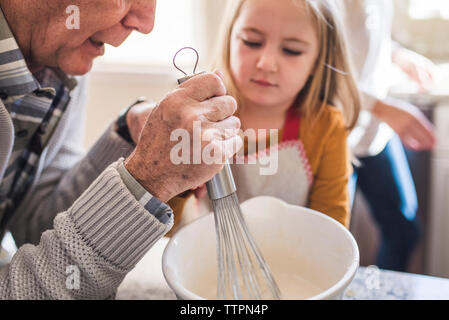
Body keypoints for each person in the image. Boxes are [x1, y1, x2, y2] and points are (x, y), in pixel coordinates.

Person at [0, 0, 242, 299]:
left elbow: (37, 224)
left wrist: (129, 136)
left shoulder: (61, 57)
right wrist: (144, 182)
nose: (145, 22)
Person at [167, 0, 361, 235]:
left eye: (291, 50)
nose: (266, 63)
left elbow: (331, 233)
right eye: (252, 42)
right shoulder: (201, 119)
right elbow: (166, 227)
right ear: (230, 38)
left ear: (319, 60)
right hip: (211, 260)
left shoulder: (326, 127)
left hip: (296, 264)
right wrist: (179, 180)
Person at [343, 0, 437, 271]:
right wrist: (381, 107)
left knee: (404, 231)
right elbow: (315, 74)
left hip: (375, 135)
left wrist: (397, 54)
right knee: (332, 242)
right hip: (335, 139)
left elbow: (365, 36)